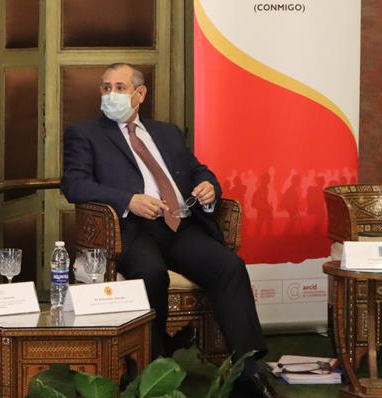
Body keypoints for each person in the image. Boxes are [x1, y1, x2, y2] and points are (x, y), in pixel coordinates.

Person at [60, 63, 280, 398]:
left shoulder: (166, 132)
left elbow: (198, 170)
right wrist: (128, 200)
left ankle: (246, 372)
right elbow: (74, 184)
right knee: (152, 274)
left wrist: (209, 187)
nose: (110, 94)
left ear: (140, 94)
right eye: (105, 88)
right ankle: (155, 368)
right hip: (130, 229)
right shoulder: (85, 133)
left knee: (229, 267)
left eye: (119, 87)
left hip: (179, 225)